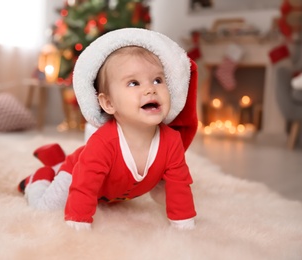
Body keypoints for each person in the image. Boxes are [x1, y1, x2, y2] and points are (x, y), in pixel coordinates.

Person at [18, 28, 198, 231]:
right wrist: (79, 221)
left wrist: (184, 224)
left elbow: (179, 185)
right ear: (109, 103)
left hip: (113, 192)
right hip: (78, 172)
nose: (150, 89)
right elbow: (85, 184)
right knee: (46, 209)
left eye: (157, 80)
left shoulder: (171, 141)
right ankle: (40, 177)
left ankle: (56, 158)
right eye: (134, 83)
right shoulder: (104, 142)